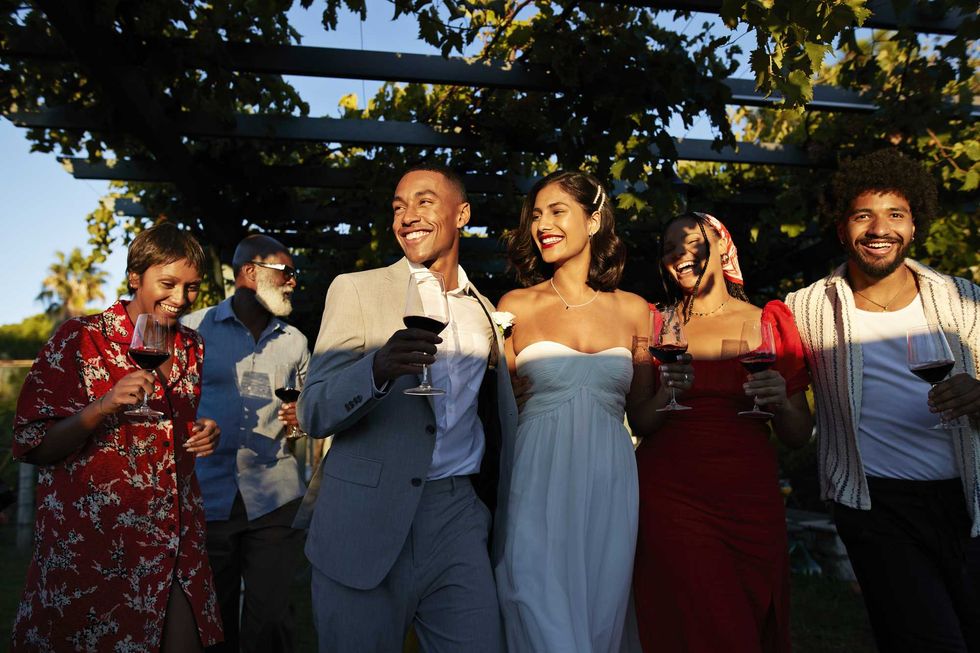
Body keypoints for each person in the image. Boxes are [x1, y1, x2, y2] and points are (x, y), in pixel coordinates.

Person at [294, 163, 518, 652]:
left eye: (423, 201)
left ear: (462, 214)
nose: (407, 216)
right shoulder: (356, 289)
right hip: (366, 517)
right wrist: (375, 371)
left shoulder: (484, 309)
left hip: (458, 515)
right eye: (398, 207)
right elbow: (312, 411)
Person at [785, 148, 980, 653]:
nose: (879, 228)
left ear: (915, 226)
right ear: (841, 228)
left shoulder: (963, 299)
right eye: (862, 214)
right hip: (876, 507)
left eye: (895, 213)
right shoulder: (805, 308)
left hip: (970, 499)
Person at [11, 223, 223, 652]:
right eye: (168, 284)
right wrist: (101, 408)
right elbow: (32, 444)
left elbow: (171, 428)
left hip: (174, 538)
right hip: (95, 546)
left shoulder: (192, 345)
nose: (180, 300)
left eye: (193, 288)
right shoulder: (79, 338)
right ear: (134, 277)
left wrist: (203, 432)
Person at [630, 211, 813, 653]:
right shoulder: (656, 325)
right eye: (669, 248)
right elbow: (641, 422)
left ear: (721, 244)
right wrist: (664, 394)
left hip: (749, 497)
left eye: (691, 241)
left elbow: (797, 433)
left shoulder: (770, 321)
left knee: (747, 614)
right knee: (696, 618)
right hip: (671, 494)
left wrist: (781, 401)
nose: (679, 253)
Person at [492, 170, 649, 652]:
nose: (543, 224)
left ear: (594, 219)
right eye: (536, 215)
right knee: (535, 606)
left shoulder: (635, 310)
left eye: (558, 211)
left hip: (610, 481)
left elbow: (643, 415)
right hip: (534, 479)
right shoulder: (514, 306)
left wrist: (683, 390)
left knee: (600, 617)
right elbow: (496, 404)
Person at [181, 235, 310, 653]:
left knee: (271, 619)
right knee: (210, 619)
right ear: (250, 273)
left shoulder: (296, 341)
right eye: (285, 272)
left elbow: (309, 413)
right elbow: (168, 401)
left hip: (275, 496)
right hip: (206, 494)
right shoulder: (193, 329)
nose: (293, 282)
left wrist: (302, 420)